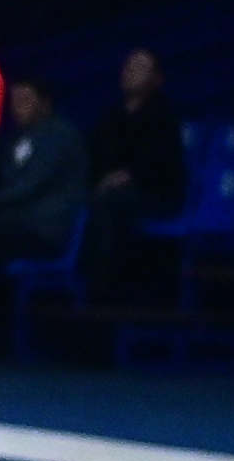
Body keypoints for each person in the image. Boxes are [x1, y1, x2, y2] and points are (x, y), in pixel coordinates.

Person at [80, 48, 189, 297]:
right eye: (128, 66)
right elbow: (95, 156)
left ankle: (106, 286)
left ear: (157, 78)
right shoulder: (111, 115)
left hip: (155, 193)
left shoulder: (164, 116)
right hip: (109, 190)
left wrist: (125, 177)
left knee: (110, 203)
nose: (130, 72)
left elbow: (160, 164)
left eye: (139, 68)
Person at [0, 74, 90, 259]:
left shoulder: (59, 135)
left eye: (24, 99)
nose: (17, 106)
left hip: (46, 227)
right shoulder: (13, 139)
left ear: (45, 103)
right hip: (16, 221)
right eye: (14, 100)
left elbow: (29, 185)